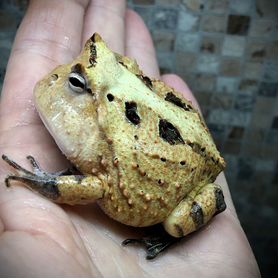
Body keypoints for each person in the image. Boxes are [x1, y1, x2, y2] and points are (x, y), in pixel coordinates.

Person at [0, 0, 260, 276]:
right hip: (182, 137)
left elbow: (95, 187)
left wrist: (44, 183)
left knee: (176, 222)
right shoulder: (108, 110)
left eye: (76, 83)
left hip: (184, 186)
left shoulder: (106, 131)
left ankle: (169, 235)